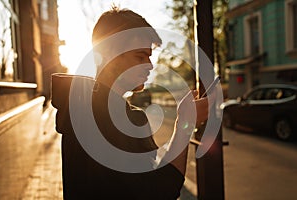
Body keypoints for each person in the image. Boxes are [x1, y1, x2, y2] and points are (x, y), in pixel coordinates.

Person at [51, 6, 215, 200]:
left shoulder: (79, 107)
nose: (150, 65)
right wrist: (185, 124)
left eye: (149, 56)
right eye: (140, 56)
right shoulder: (118, 118)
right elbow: (160, 191)